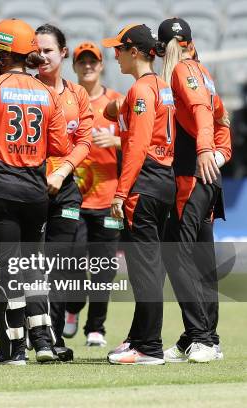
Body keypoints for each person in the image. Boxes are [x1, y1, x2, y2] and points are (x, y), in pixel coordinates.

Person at [0, 18, 70, 364]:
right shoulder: (47, 93)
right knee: (33, 267)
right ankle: (42, 341)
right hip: (36, 194)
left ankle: (13, 349)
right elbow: (60, 145)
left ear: (7, 53)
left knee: (6, 270)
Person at [156, 17, 232, 364]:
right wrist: (219, 153)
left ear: (161, 49)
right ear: (190, 41)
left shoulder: (182, 72)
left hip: (191, 177)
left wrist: (204, 152)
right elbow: (221, 120)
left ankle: (201, 338)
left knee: (177, 255)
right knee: (202, 260)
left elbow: (204, 114)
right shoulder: (204, 73)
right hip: (206, 177)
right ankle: (203, 338)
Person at [101, 24, 174, 365]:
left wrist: (120, 193)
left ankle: (149, 347)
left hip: (144, 184)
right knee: (150, 268)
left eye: (119, 49)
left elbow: (137, 147)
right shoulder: (162, 88)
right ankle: (139, 339)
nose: (114, 55)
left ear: (134, 51)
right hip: (165, 182)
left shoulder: (142, 92)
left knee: (144, 271)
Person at [33, 24, 93, 361]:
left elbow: (84, 141)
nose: (41, 56)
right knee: (28, 264)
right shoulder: (25, 89)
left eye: (48, 50)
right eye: (37, 50)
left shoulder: (77, 95)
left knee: (57, 266)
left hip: (65, 188)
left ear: (63, 53)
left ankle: (52, 338)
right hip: (29, 187)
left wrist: (61, 171)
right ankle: (26, 336)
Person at [64, 42, 123, 347]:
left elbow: (140, 140)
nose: (87, 66)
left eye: (93, 61)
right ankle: (73, 308)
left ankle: (96, 328)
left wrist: (115, 140)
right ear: (74, 66)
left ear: (101, 66)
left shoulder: (115, 101)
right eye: (82, 62)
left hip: (107, 200)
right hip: (74, 196)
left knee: (104, 268)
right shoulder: (67, 99)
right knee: (72, 262)